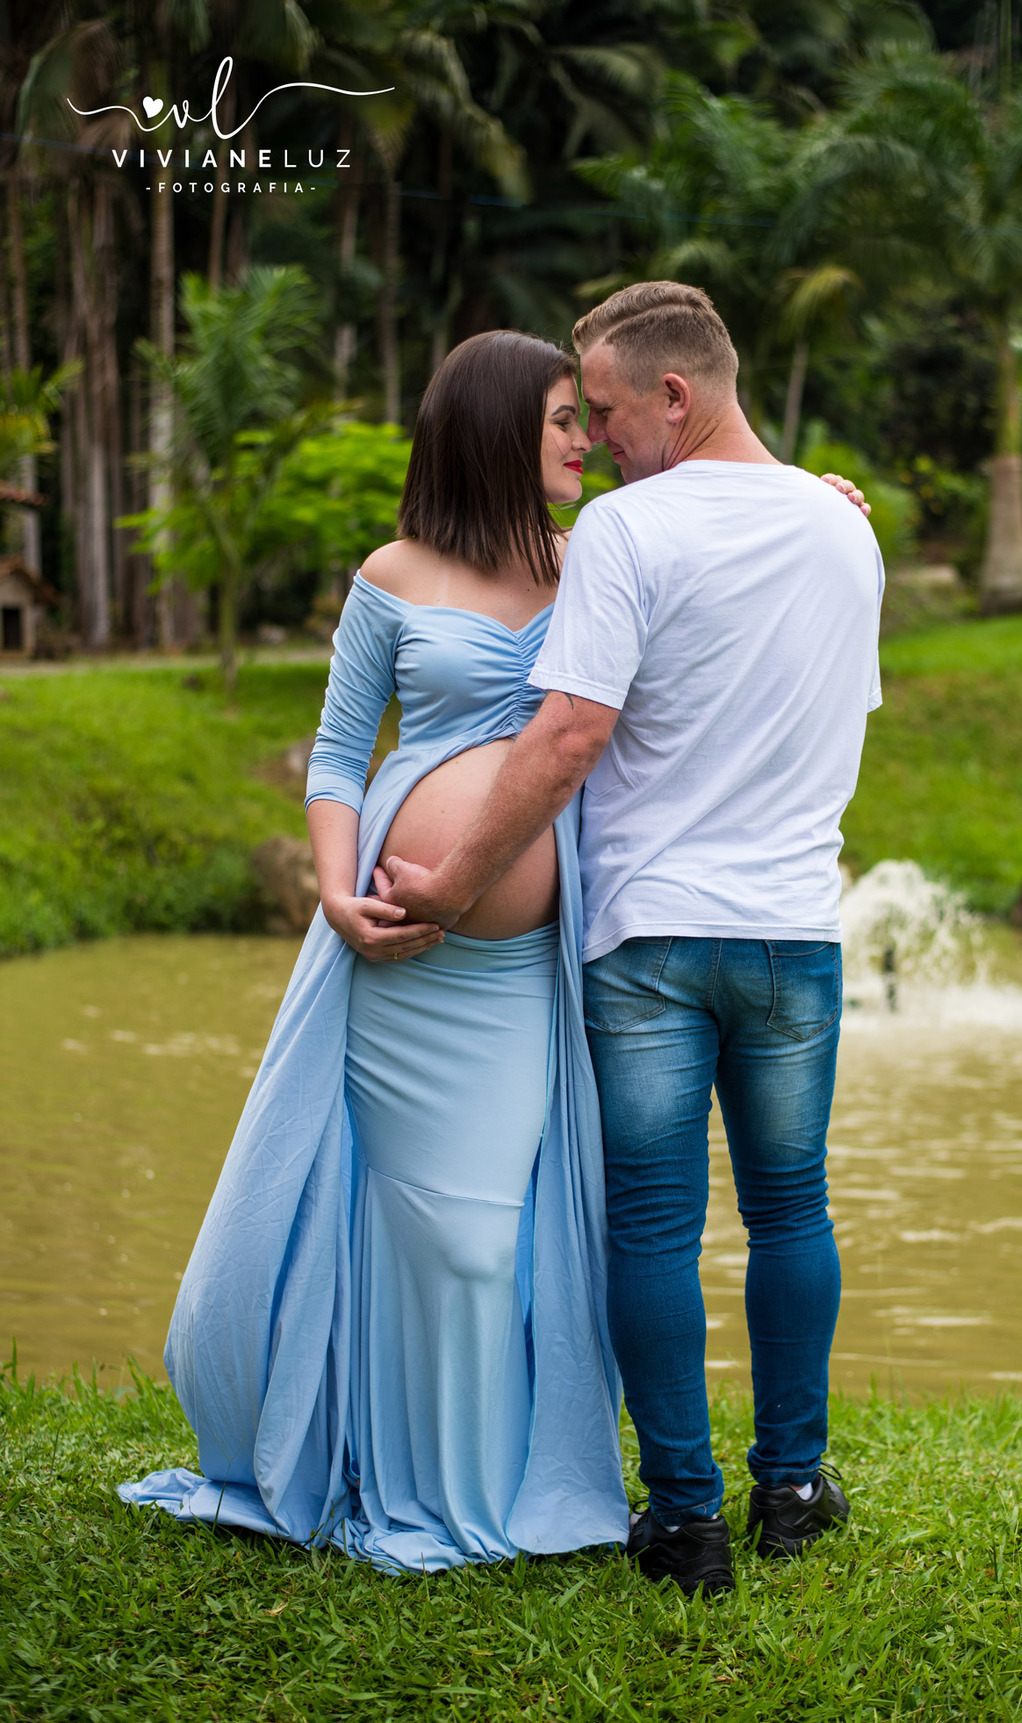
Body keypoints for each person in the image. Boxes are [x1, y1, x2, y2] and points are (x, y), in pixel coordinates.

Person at [378, 282, 885, 1598]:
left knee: (656, 1221)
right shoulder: (846, 531)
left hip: (652, 935)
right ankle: (792, 1486)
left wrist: (451, 884)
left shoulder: (626, 526)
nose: (594, 440)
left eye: (603, 410)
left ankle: (687, 1521)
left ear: (676, 395)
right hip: (793, 934)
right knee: (792, 1205)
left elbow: (566, 735)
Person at [119, 331, 630, 1573]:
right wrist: (338, 894)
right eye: (565, 417)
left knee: (478, 1236)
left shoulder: (596, 564)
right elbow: (341, 752)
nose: (585, 440)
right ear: (501, 427)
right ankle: (370, 1468)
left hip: (512, 977)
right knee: (382, 1220)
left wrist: (812, 500)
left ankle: (472, 1495)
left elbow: (722, 549)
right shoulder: (395, 574)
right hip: (389, 967)